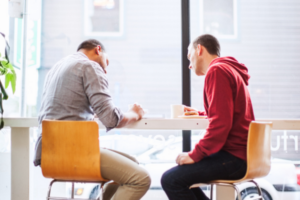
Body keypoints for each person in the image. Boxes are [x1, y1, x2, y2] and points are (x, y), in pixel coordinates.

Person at [33, 39, 151, 200]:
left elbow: (64, 109)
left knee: (132, 163)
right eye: (106, 63)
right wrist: (134, 113)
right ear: (98, 50)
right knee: (141, 179)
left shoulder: (57, 67)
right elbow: (111, 118)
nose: (105, 70)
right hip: (75, 153)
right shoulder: (89, 66)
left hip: (48, 154)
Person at [161, 34, 255, 200]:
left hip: (234, 157)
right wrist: (202, 113)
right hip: (243, 155)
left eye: (190, 58)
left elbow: (220, 124)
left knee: (171, 180)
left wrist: (195, 154)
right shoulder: (229, 69)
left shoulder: (217, 70)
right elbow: (227, 113)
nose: (189, 66)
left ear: (199, 49)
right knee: (179, 178)